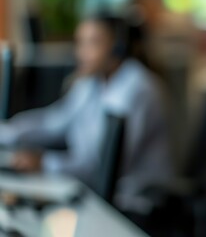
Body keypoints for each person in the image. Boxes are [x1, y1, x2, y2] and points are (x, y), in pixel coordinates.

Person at [0, 15, 172, 216]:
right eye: (80, 42)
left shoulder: (137, 89)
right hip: (95, 192)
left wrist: (44, 163)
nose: (82, 53)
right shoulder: (92, 80)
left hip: (133, 203)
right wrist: (6, 131)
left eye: (93, 43)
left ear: (118, 47)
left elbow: (102, 163)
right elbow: (54, 121)